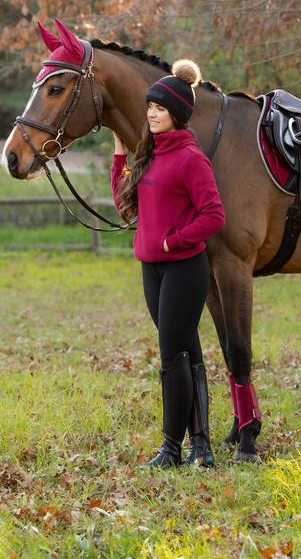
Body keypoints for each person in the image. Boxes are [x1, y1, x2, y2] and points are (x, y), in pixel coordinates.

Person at [110, 59, 226, 468]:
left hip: (183, 269)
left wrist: (174, 240)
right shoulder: (150, 154)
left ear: (177, 113)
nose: (151, 113)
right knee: (186, 353)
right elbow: (128, 205)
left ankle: (171, 449)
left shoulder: (191, 159)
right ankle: (203, 446)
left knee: (170, 356)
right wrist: (118, 157)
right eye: (149, 107)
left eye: (159, 108)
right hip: (151, 268)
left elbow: (214, 215)